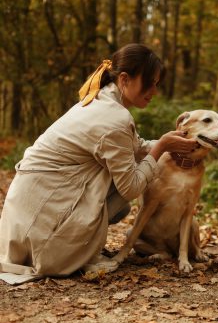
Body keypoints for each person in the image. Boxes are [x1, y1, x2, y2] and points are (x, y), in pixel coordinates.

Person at [0, 44, 197, 280]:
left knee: (120, 194)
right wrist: (163, 147)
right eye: (150, 83)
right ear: (125, 79)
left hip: (24, 223)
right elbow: (132, 187)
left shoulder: (100, 101)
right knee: (125, 186)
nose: (154, 91)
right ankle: (69, 251)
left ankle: (78, 245)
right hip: (41, 233)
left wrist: (168, 144)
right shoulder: (114, 118)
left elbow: (133, 146)